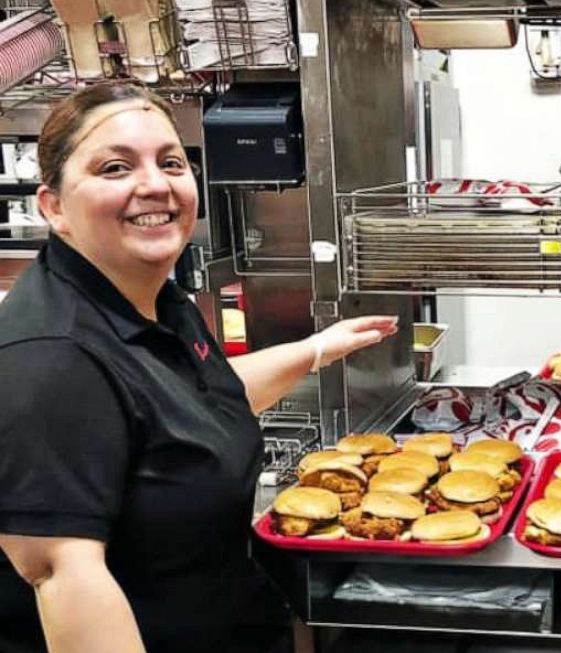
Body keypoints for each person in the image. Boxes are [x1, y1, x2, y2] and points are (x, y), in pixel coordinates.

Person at [0, 82, 398, 653]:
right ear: (54, 207)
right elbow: (64, 576)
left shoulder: (154, 299)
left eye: (170, 162)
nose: (155, 184)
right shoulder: (49, 356)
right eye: (115, 168)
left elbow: (193, 403)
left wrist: (317, 348)